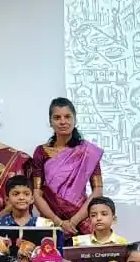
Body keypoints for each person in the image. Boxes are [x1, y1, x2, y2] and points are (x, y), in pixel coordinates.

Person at [31, 97, 104, 236]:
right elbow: (36, 193)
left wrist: (74, 221)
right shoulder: (41, 152)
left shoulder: (88, 152)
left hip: (81, 220)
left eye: (67, 117)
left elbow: (98, 190)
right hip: (51, 222)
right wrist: (58, 222)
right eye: (57, 117)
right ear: (50, 122)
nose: (63, 121)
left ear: (75, 120)